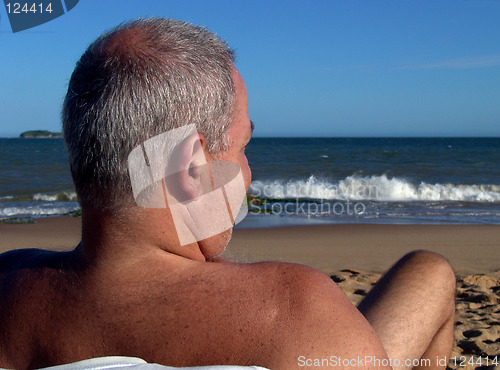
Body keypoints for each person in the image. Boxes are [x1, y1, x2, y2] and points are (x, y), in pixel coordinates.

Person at [0, 18, 455, 370]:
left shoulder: (8, 284)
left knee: (428, 272)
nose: (249, 174)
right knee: (431, 271)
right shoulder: (294, 310)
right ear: (193, 169)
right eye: (243, 148)